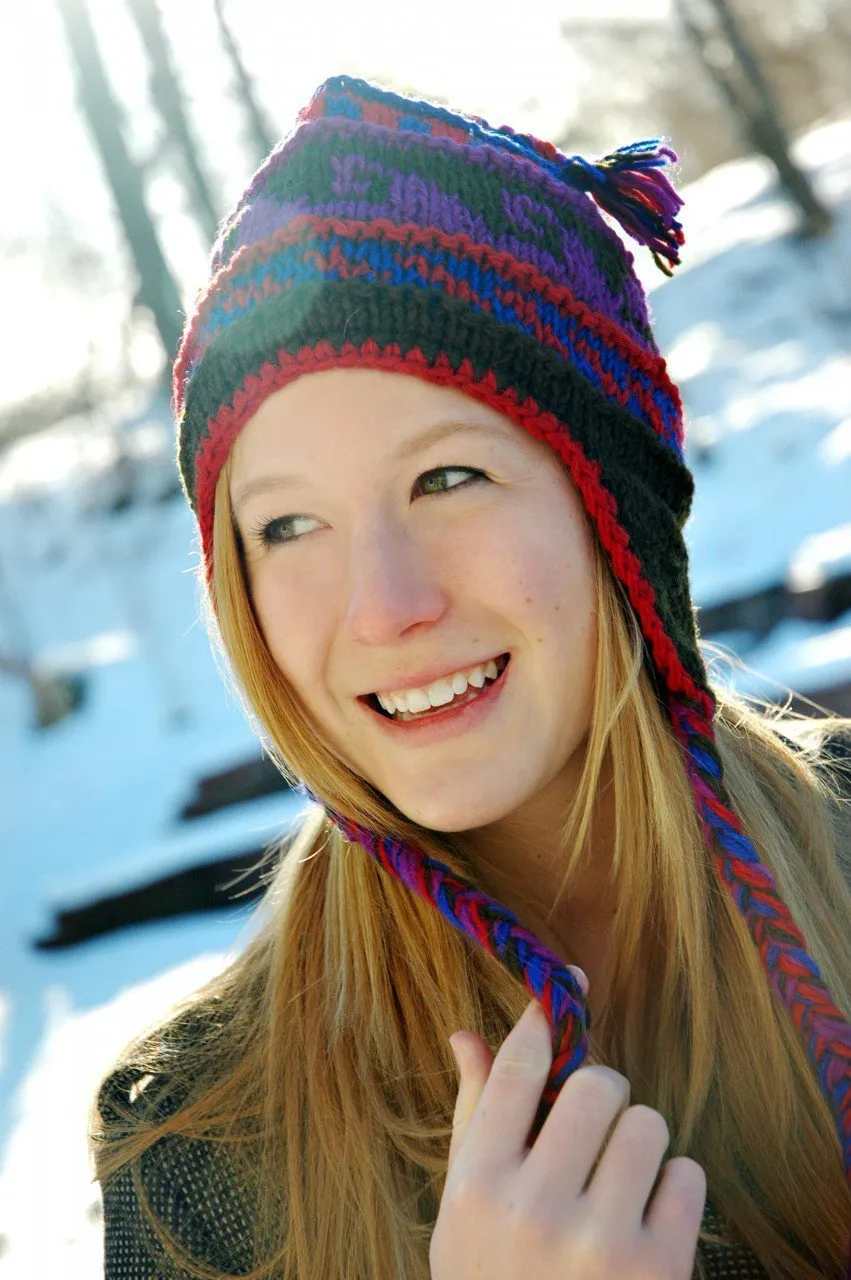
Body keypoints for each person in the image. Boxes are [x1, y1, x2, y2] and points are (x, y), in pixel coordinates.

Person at [91, 74, 851, 1280]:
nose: (384, 606)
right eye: (288, 526)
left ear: (615, 505)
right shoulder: (197, 1158)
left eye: (445, 478)